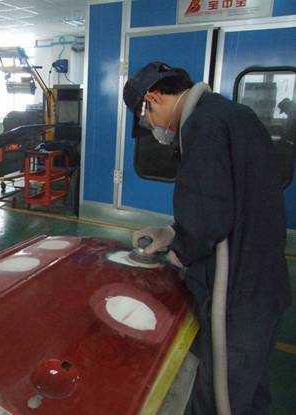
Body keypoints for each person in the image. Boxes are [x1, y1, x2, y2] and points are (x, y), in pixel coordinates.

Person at [123, 62, 291, 414]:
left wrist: (175, 253)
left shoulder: (202, 126)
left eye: (146, 118)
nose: (152, 127)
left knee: (218, 400)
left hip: (238, 297)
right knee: (250, 393)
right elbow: (231, 200)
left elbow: (207, 219)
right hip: (263, 286)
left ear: (153, 98)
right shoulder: (231, 115)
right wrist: (171, 232)